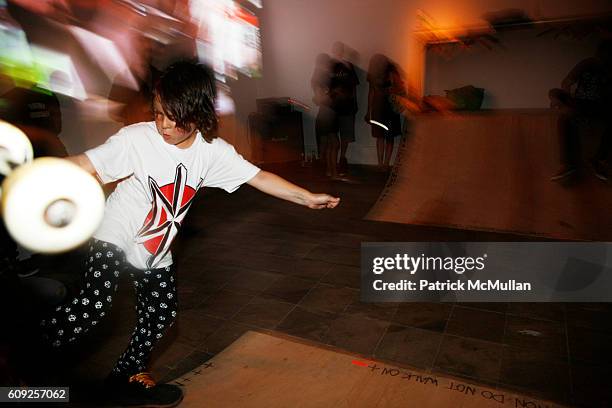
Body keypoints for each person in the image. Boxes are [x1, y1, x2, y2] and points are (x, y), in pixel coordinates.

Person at [39, 60, 340, 407]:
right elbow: (84, 163)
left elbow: (258, 177)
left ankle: (125, 378)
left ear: (197, 115)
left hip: (155, 248)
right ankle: (22, 360)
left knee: (162, 315)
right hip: (115, 234)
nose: (163, 124)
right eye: (157, 113)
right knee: (94, 305)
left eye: (173, 116)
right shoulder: (136, 139)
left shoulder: (212, 153)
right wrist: (36, 170)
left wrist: (308, 198)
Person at [550, 41, 612, 182]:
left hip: (601, 105)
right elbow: (566, 83)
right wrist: (563, 103)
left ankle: (599, 160)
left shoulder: (608, 68)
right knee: (564, 115)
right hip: (580, 103)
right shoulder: (589, 63)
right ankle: (568, 164)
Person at [365, 54, 402, 170]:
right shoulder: (373, 75)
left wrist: (390, 89)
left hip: (390, 108)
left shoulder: (391, 72)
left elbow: (399, 88)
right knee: (379, 136)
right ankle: (380, 163)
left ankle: (385, 164)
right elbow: (371, 93)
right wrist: (368, 111)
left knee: (388, 137)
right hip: (378, 108)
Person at [330, 42, 359, 176]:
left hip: (347, 107)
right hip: (333, 108)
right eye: (336, 49)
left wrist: (354, 103)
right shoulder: (330, 66)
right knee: (333, 138)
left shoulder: (349, 66)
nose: (338, 52)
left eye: (340, 49)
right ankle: (331, 164)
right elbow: (325, 86)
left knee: (346, 136)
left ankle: (342, 159)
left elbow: (354, 87)